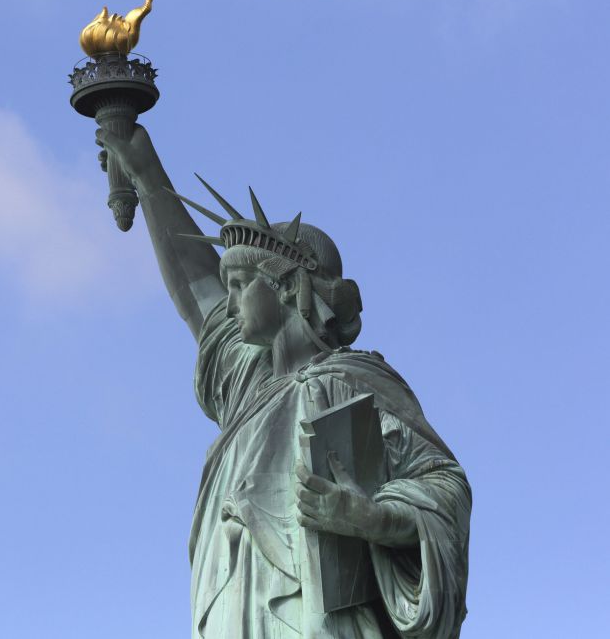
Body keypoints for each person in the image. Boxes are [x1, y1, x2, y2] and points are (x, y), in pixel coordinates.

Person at [95, 125, 471, 639]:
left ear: (289, 286)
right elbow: (197, 300)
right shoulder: (250, 387)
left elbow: (444, 485)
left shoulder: (353, 383)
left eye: (240, 286)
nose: (228, 305)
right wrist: (144, 173)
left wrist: (374, 517)